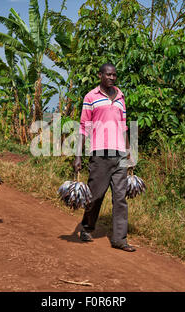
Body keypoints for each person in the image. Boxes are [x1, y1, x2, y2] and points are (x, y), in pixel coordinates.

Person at [73, 63, 136, 252]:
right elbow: (83, 127)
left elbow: (124, 125)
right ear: (100, 75)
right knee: (95, 195)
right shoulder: (91, 97)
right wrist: (78, 156)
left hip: (119, 155)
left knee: (120, 198)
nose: (112, 78)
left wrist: (128, 150)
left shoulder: (120, 97)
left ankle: (119, 239)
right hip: (99, 153)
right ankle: (87, 227)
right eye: (108, 75)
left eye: (114, 75)